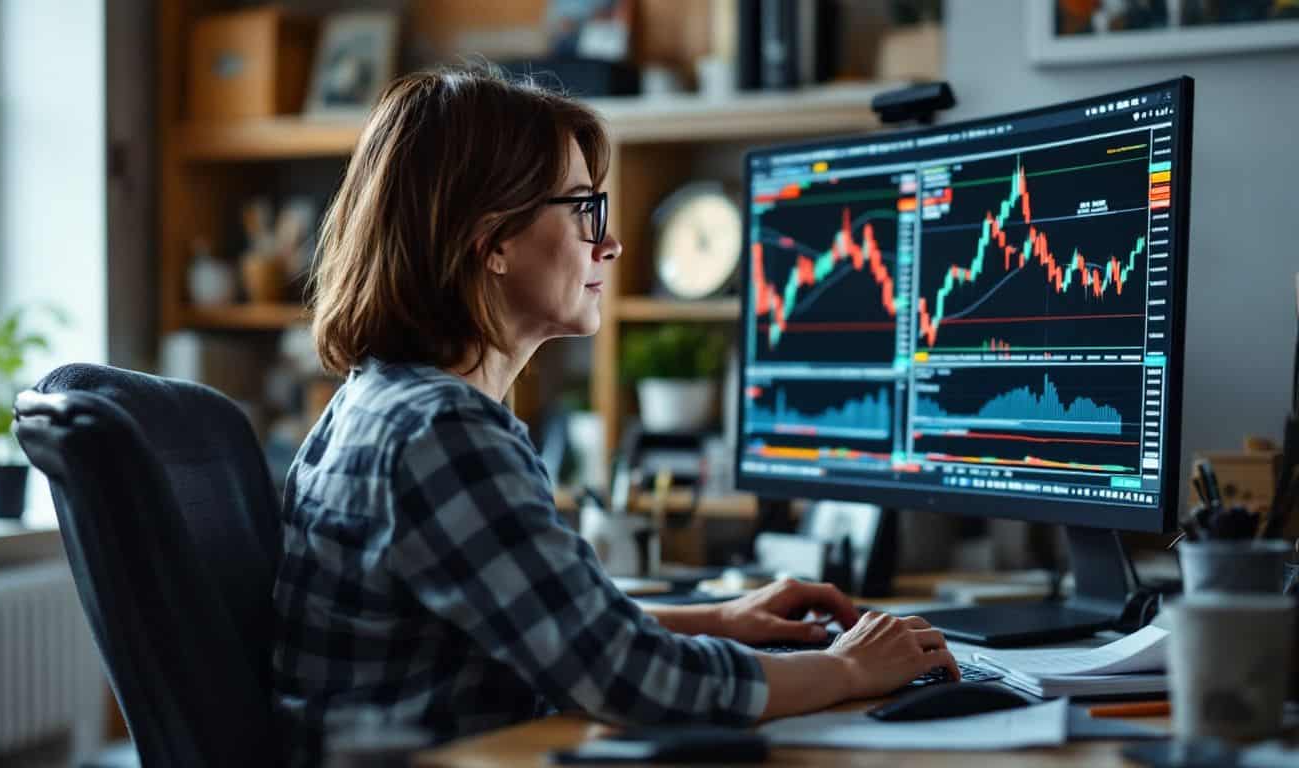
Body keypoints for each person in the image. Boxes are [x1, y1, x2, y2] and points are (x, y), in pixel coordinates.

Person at [271, 65, 958, 766]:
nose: (612, 244)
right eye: (584, 211)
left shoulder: (373, 401)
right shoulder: (442, 433)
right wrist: (847, 670)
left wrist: (720, 618)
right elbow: (630, 679)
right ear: (493, 240)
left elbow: (538, 622)